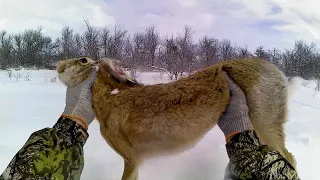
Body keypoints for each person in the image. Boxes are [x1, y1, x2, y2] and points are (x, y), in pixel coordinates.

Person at [0, 69, 299, 180]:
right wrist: (241, 137)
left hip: (252, 79)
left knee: (274, 144)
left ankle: (70, 127)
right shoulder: (116, 114)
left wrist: (73, 120)